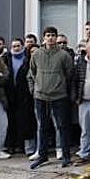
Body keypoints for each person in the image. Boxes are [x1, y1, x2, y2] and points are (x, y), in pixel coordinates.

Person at [28, 27, 75, 170]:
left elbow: (69, 74)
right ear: (43, 38)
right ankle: (42, 155)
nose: (50, 38)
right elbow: (32, 72)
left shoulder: (63, 55)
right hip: (40, 96)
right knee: (42, 126)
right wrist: (35, 88)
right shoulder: (36, 54)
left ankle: (66, 156)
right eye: (48, 35)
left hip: (59, 95)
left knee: (62, 126)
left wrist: (59, 84)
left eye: (53, 35)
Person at [4, 38, 35, 157]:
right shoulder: (7, 59)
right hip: (10, 94)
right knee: (10, 121)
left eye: (18, 46)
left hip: (24, 95)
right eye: (14, 46)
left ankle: (23, 146)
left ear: (22, 46)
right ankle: (11, 145)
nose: (16, 48)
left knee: (25, 121)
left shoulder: (27, 58)